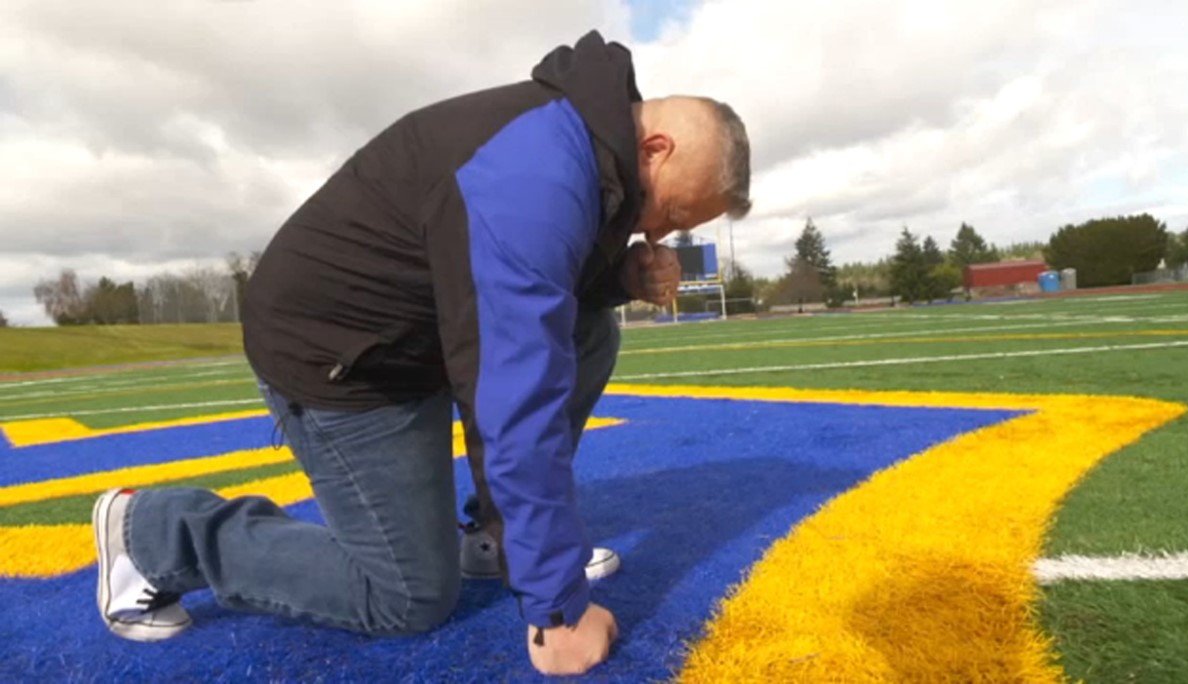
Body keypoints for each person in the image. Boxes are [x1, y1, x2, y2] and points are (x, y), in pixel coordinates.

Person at [91, 30, 750, 676]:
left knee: (590, 330)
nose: (658, 231)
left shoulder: (581, 142)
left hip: (419, 333)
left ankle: (494, 535)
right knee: (405, 595)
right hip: (342, 357)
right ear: (657, 148)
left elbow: (514, 289)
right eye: (674, 211)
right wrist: (558, 610)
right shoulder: (539, 174)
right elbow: (514, 389)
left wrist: (616, 279)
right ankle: (154, 531)